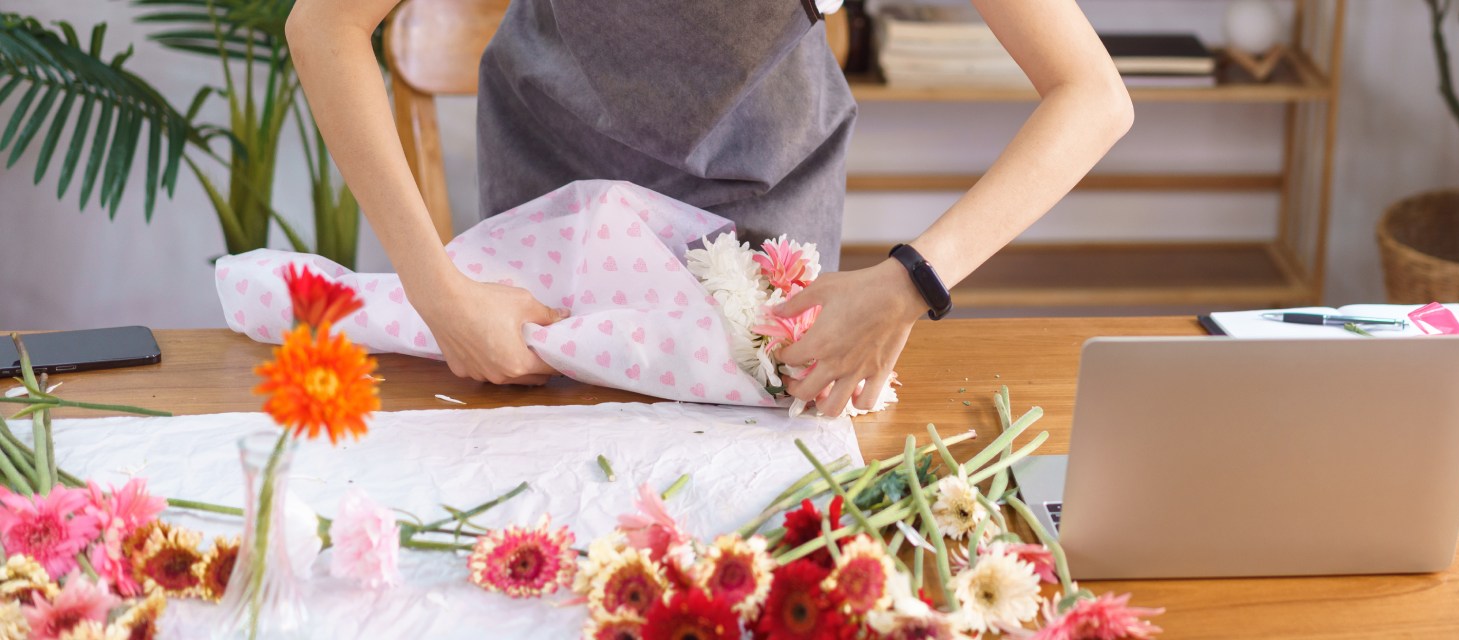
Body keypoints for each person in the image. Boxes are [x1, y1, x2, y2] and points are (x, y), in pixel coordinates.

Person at [286, 0, 1132, 416]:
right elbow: (324, 25)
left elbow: (1091, 94)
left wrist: (913, 279)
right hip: (551, 187)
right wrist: (438, 293)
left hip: (765, 191)